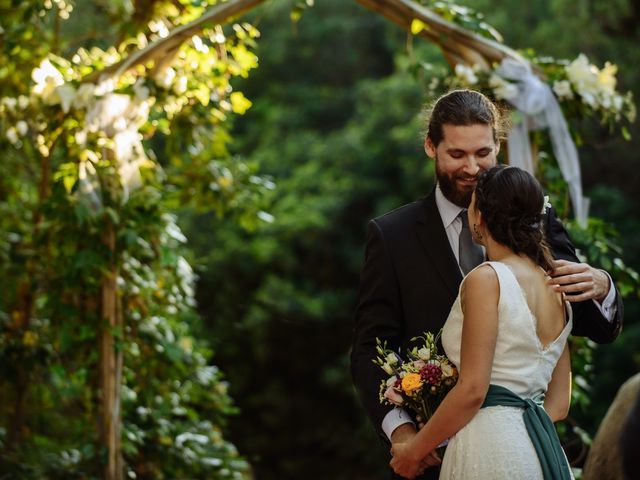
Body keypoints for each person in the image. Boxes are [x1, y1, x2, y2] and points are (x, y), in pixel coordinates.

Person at [350, 89, 623, 479]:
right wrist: (406, 434)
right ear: (431, 146)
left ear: (498, 145)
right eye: (457, 155)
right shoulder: (392, 236)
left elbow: (589, 324)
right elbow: (368, 348)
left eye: (483, 153)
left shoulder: (537, 221)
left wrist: (602, 284)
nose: (472, 168)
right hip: (432, 458)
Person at [390, 164, 574, 478]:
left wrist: (414, 451)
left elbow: (473, 389)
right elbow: (559, 404)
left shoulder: (487, 279)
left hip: (489, 450)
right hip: (540, 451)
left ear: (481, 217)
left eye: (473, 204)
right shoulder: (555, 287)